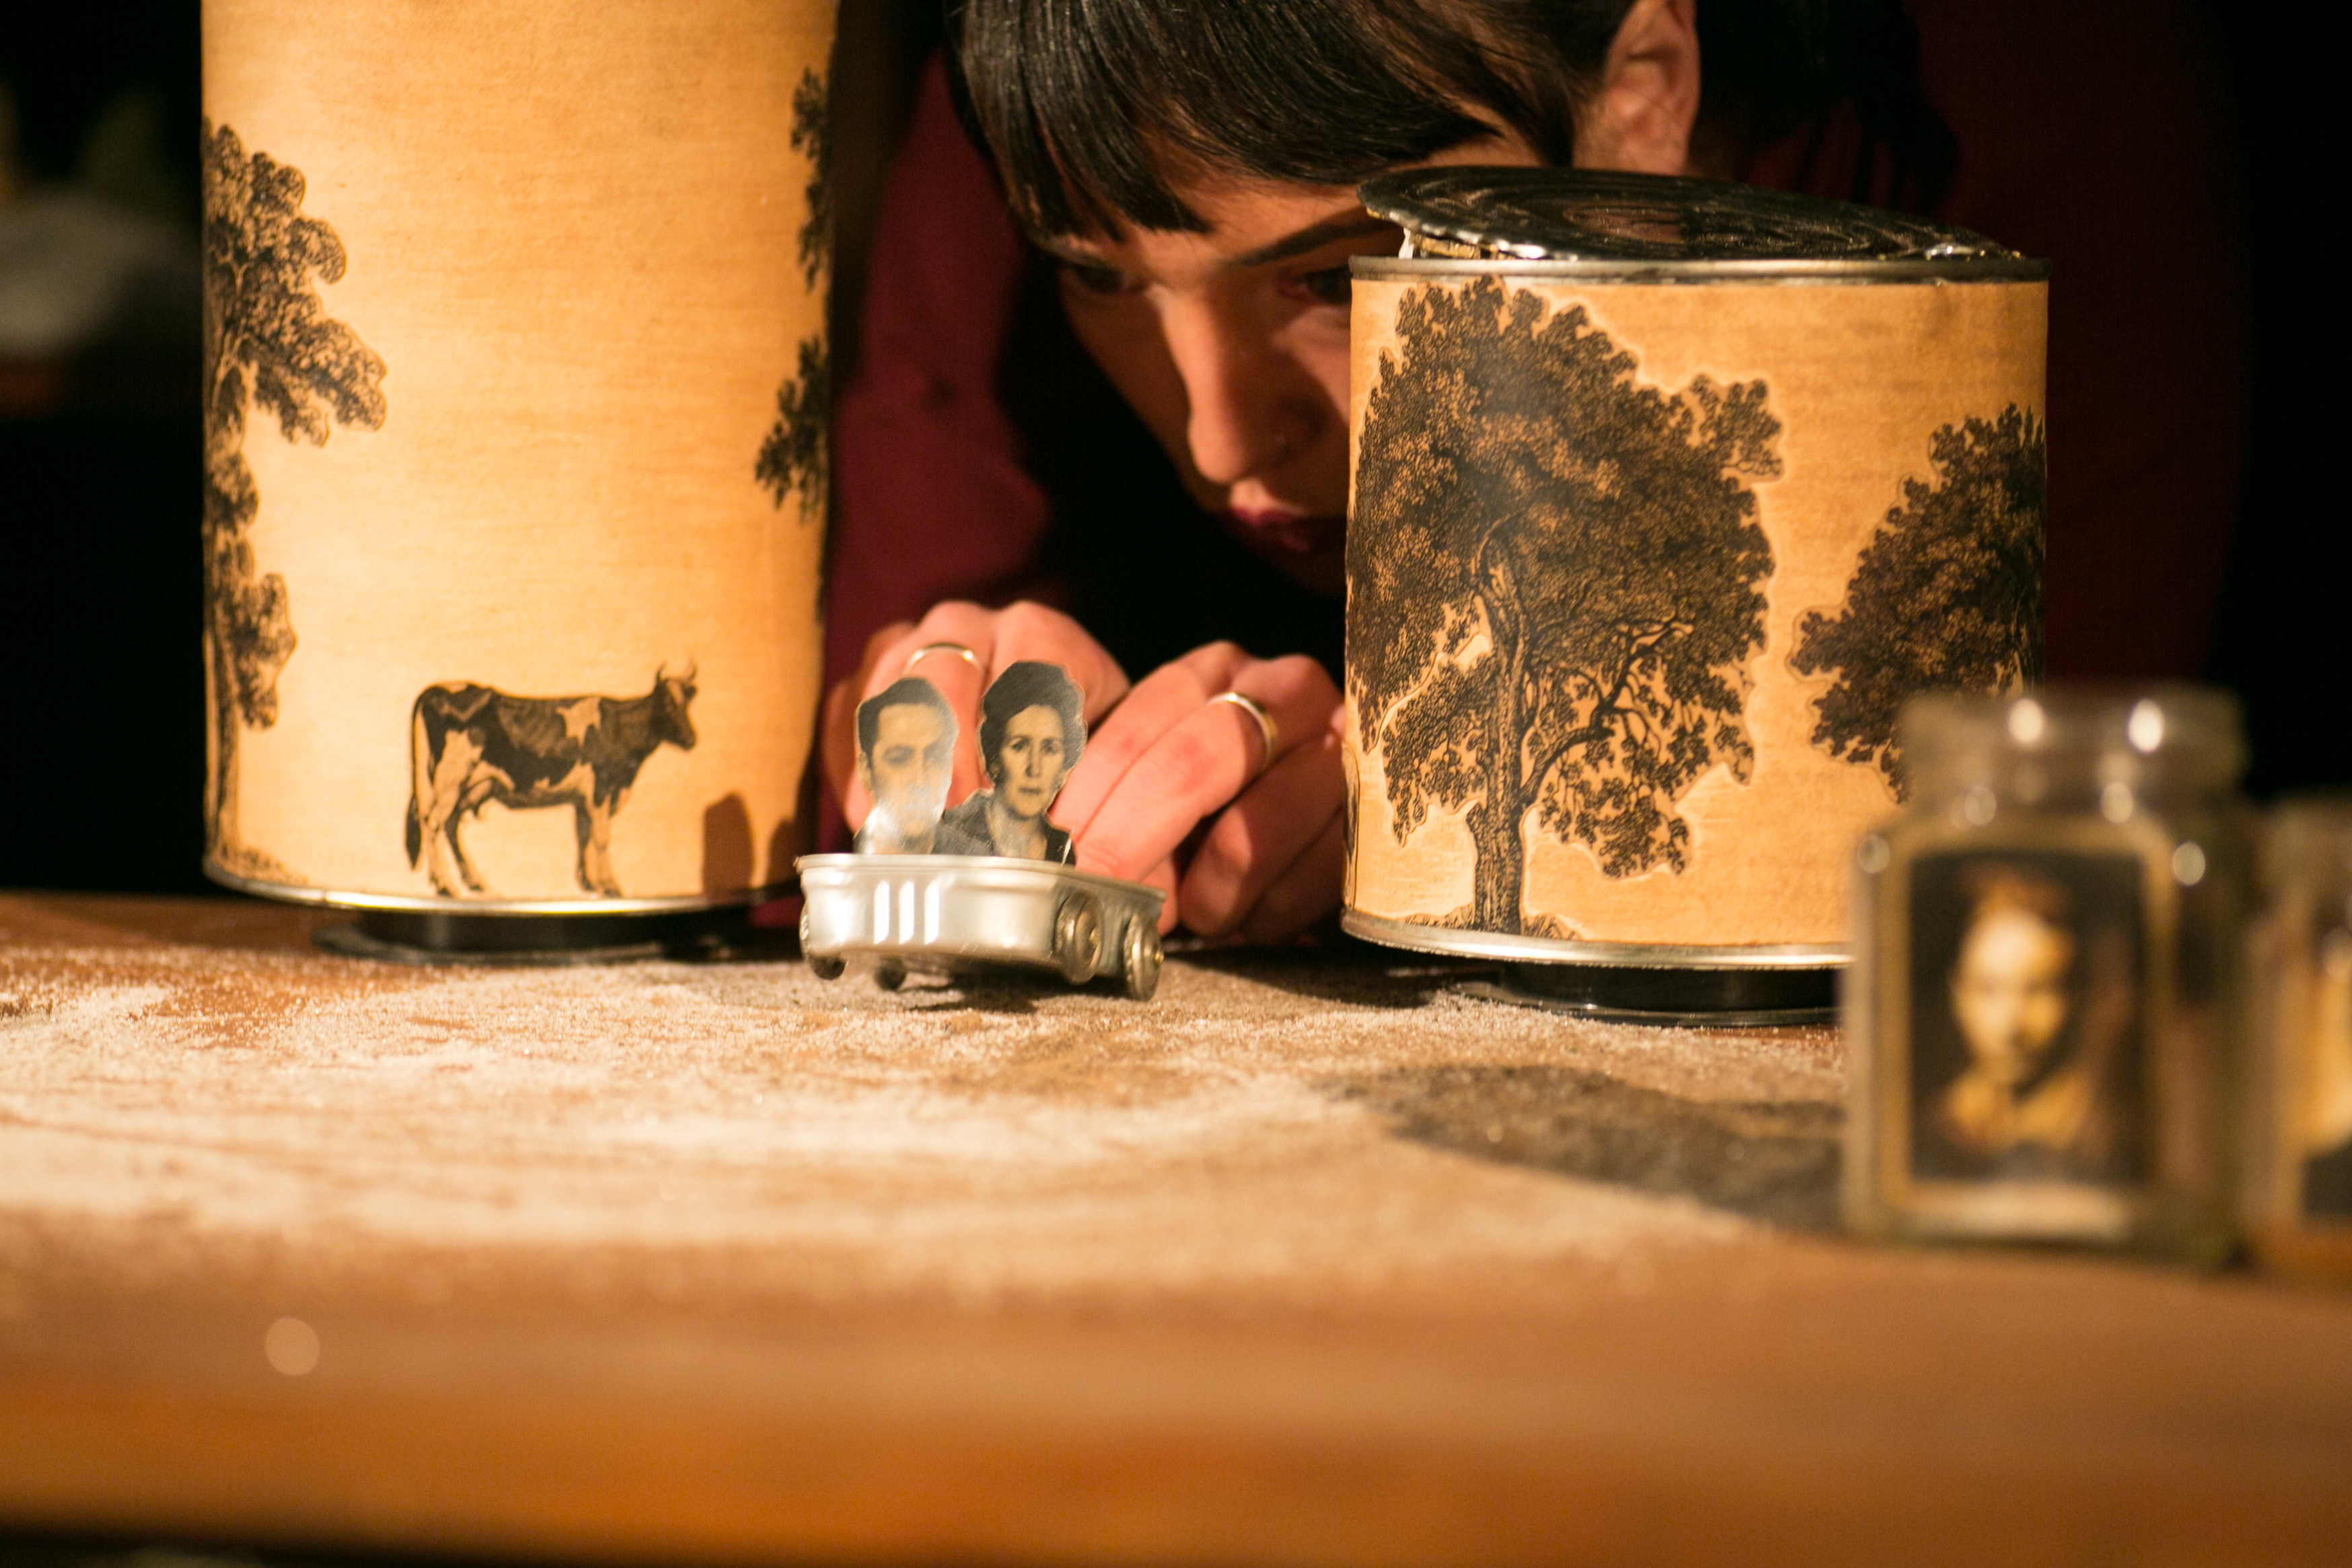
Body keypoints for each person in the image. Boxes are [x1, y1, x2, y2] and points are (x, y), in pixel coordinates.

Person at [825, 0, 2246, 942]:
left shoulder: (2022, 120)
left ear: (1642, 96)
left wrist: (1455, 830)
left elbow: (2029, 930)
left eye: (1331, 278)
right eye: (1102, 283)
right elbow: (838, 757)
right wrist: (922, 704)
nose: (1216, 440)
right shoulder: (1054, 101)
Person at [1930, 866, 2131, 1181]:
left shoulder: (2106, 1126)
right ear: (1958, 995)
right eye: (1987, 990)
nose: (2011, 1025)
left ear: (2077, 996)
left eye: (2038, 990)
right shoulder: (1948, 1121)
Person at [940, 660, 1084, 862]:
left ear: (1064, 768)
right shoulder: (951, 834)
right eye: (1019, 746)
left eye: (1049, 749)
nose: (1034, 768)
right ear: (994, 759)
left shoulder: (1062, 849)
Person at [852, 675, 986, 855]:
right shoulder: (837, 852)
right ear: (866, 770)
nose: (920, 781)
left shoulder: (978, 861)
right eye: (899, 759)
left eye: (935, 758)